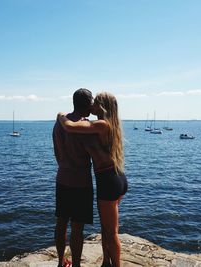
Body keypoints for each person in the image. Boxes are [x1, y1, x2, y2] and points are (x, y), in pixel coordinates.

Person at [57, 92, 127, 267]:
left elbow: (70, 127)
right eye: (92, 101)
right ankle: (106, 262)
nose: (92, 105)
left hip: (108, 180)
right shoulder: (103, 125)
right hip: (114, 177)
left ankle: (115, 265)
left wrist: (60, 116)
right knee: (105, 227)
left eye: (96, 102)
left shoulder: (101, 124)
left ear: (101, 106)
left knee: (111, 232)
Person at [53, 88, 96, 267]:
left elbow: (57, 152)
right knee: (77, 228)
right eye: (92, 101)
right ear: (87, 103)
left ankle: (61, 261)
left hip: (62, 178)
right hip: (81, 182)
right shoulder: (85, 126)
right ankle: (76, 265)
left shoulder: (59, 124)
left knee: (61, 222)